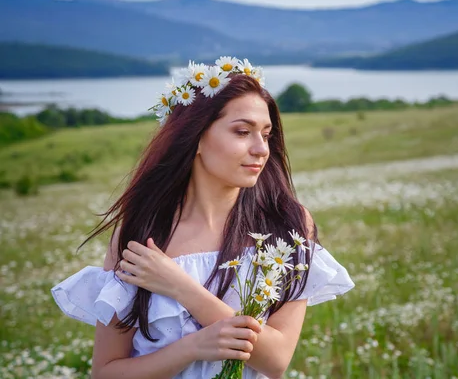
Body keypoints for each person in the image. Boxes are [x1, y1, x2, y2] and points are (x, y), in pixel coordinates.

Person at [51, 57, 355, 379]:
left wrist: (183, 288)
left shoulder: (286, 225)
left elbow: (276, 360)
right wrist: (193, 347)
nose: (261, 149)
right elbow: (106, 372)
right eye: (242, 132)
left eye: (266, 135)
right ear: (195, 137)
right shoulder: (141, 234)